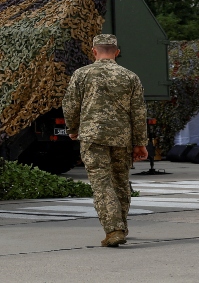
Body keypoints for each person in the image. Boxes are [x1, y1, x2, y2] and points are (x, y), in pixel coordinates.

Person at [62, 33, 148, 248]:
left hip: (93, 137)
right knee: (120, 182)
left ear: (94, 51)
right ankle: (121, 226)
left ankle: (114, 229)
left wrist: (72, 129)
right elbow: (138, 112)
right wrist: (140, 142)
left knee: (102, 183)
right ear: (116, 52)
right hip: (122, 138)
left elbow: (70, 105)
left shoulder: (82, 74)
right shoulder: (130, 76)